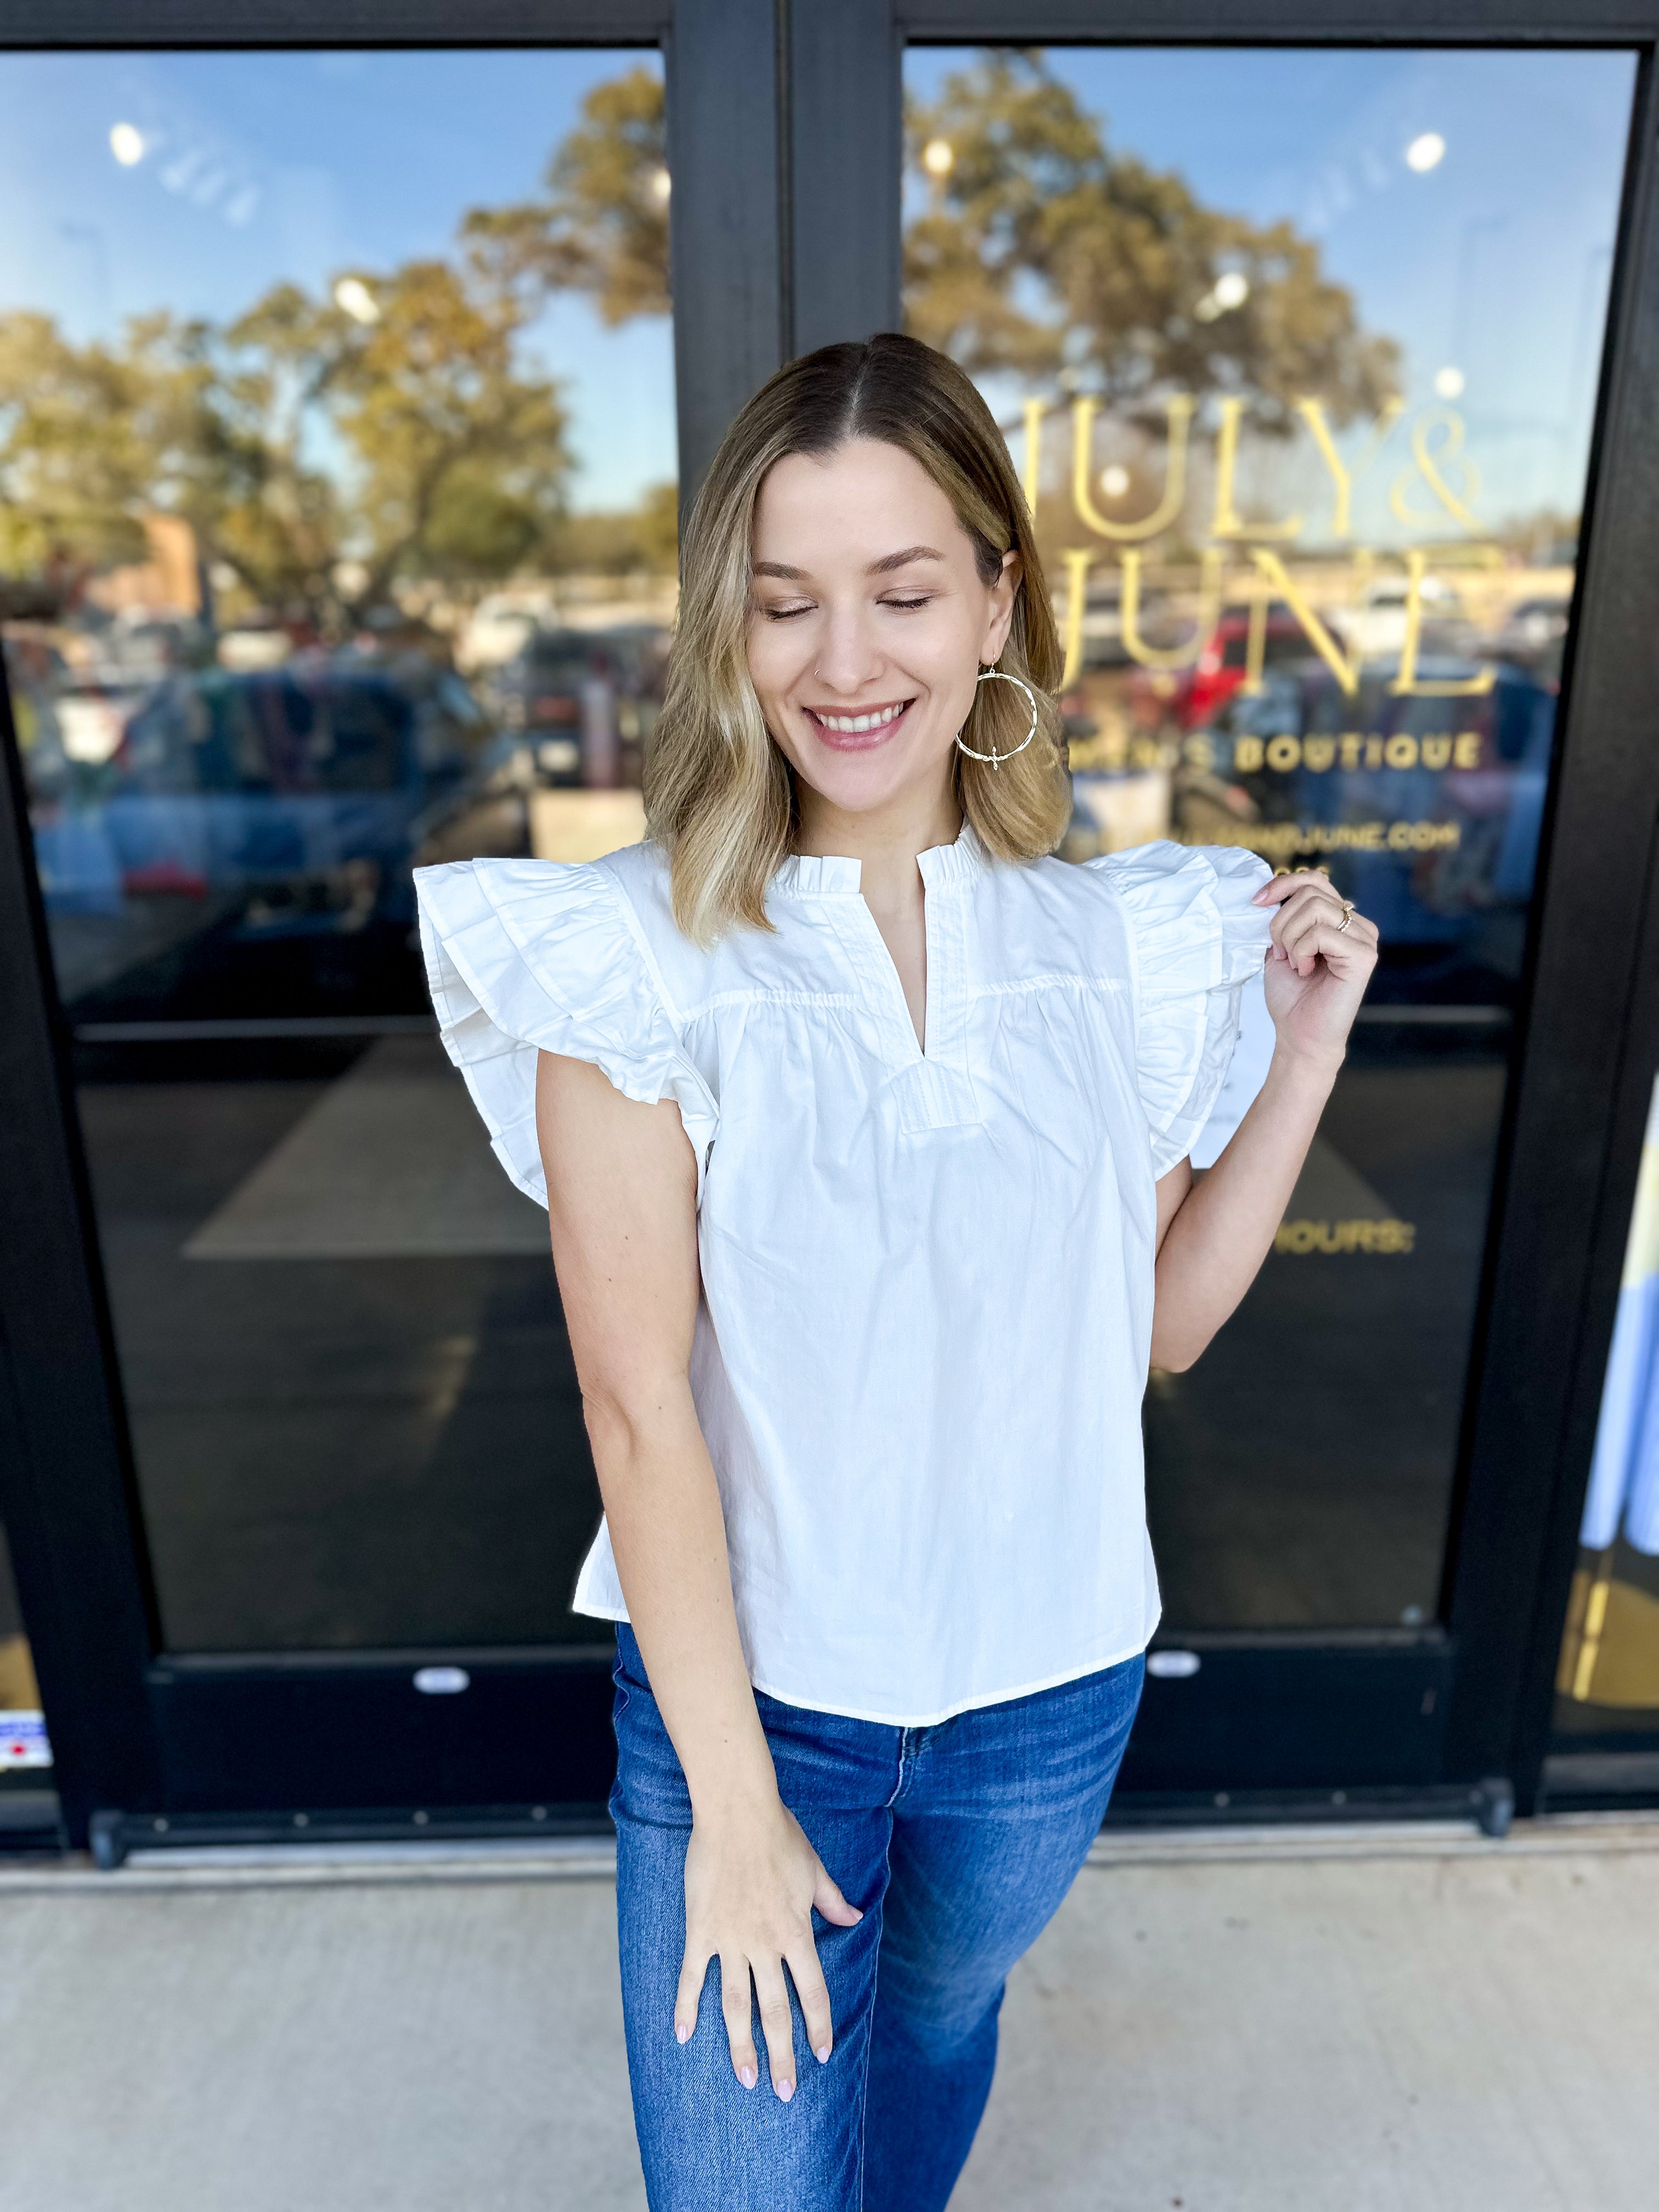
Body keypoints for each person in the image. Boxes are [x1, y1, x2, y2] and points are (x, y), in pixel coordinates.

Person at [414, 332, 1378, 2211]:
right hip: (754, 1706)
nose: (844, 665)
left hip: (1046, 1694)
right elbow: (634, 1406)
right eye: (786, 605)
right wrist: (738, 1807)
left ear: (1002, 598)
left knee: (933, 2031)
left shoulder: (1134, 948)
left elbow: (1156, 1330)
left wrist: (1305, 1056)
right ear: (729, 626)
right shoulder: (630, 955)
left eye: (904, 593)